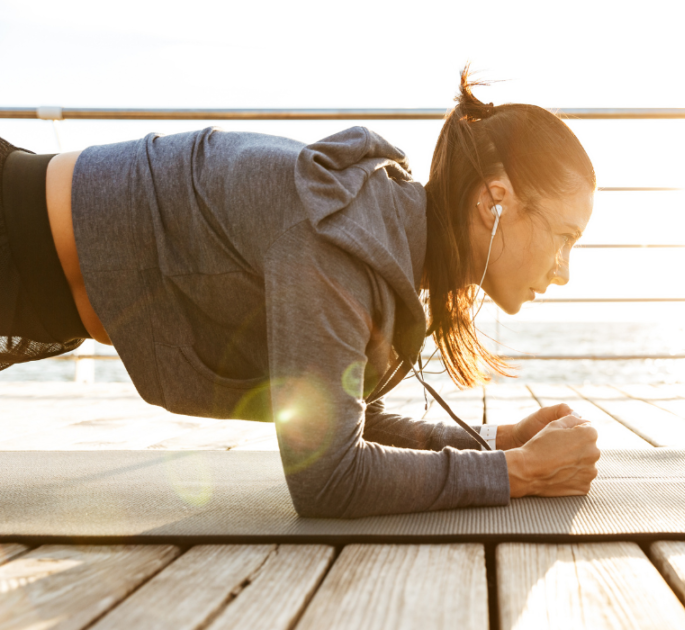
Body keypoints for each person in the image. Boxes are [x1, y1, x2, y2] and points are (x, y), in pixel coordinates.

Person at [0, 68, 601, 518]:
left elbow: (343, 423)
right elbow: (328, 479)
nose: (564, 271)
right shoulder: (343, 238)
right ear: (495, 200)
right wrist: (517, 473)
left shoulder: (378, 235)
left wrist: (498, 443)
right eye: (564, 237)